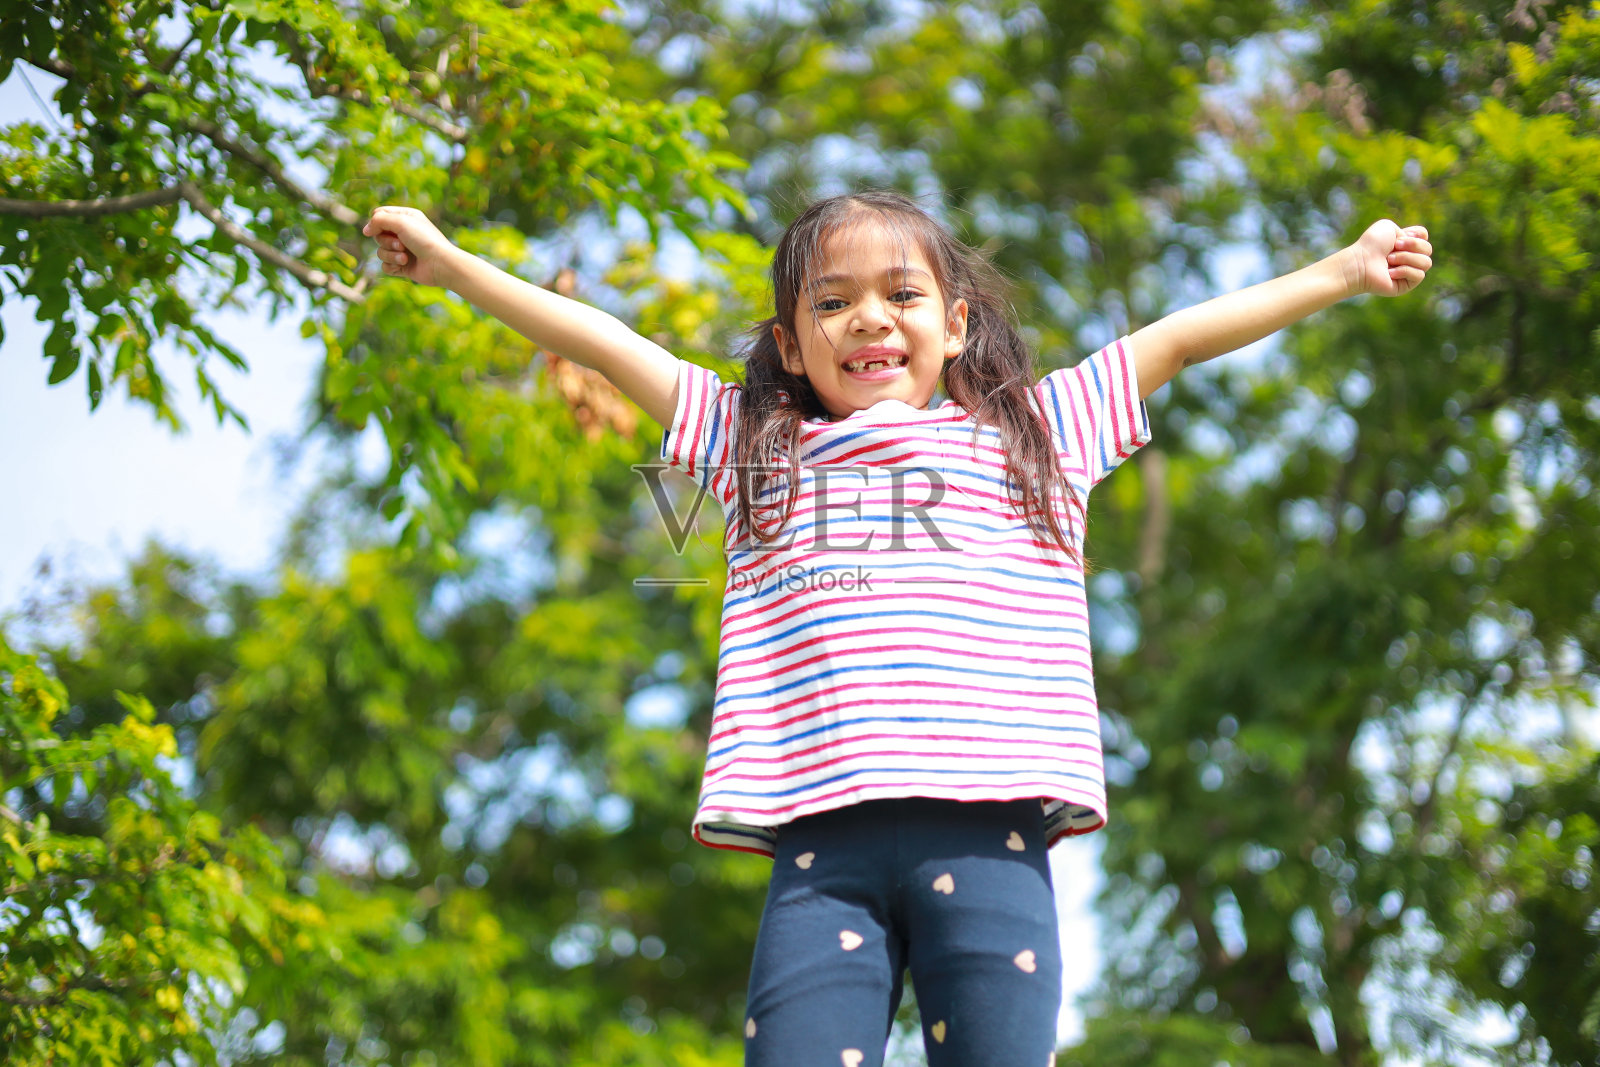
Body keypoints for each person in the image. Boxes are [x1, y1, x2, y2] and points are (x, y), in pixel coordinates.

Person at [363, 192, 1432, 1067]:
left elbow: (1179, 338)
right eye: (832, 302)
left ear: (955, 321)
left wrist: (1341, 271)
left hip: (994, 837)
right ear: (791, 343)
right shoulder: (751, 448)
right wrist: (455, 265)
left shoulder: (1038, 434)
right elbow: (604, 343)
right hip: (820, 851)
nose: (868, 318)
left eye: (900, 293)